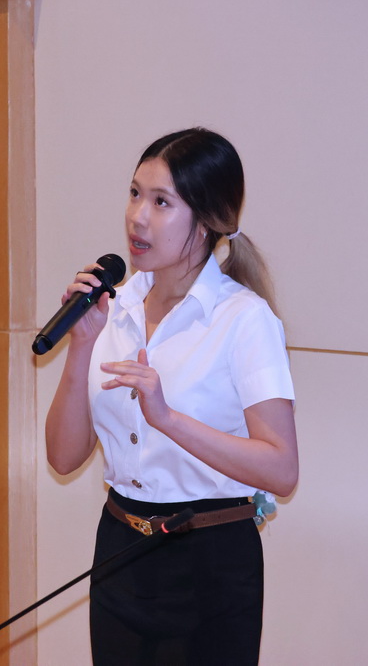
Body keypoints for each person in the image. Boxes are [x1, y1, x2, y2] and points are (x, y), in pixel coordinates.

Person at [44, 127, 298, 665]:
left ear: (205, 222)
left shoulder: (244, 320)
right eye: (135, 194)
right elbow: (63, 458)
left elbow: (281, 470)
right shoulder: (113, 308)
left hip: (210, 564)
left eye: (161, 202)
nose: (138, 217)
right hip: (120, 552)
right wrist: (82, 345)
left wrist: (166, 418)